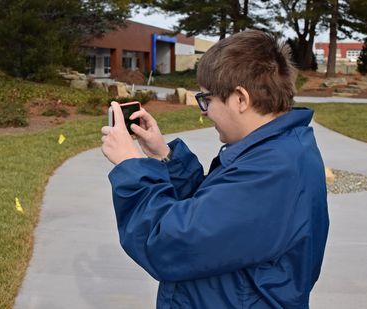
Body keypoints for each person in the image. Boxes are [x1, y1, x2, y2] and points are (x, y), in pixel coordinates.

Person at [100, 30, 329, 308]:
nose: (204, 111)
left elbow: (168, 245)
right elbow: (212, 213)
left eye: (207, 100)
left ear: (241, 99)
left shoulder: (272, 170)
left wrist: (130, 166)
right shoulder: (278, 151)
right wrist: (165, 155)